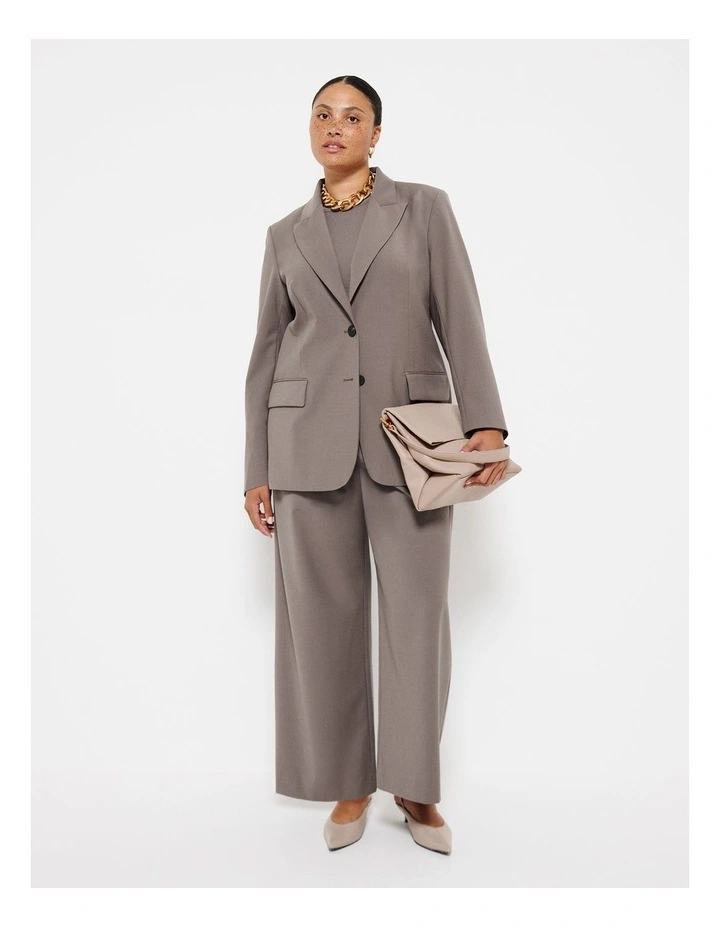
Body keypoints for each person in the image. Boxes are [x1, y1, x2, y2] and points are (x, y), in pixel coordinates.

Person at [243, 75, 509, 854]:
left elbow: (460, 312)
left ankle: (416, 786)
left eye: (352, 116)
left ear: (376, 133)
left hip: (412, 444)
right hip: (305, 450)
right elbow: (265, 355)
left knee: (417, 618)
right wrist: (257, 466)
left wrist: (487, 422)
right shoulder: (284, 234)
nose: (335, 126)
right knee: (320, 624)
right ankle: (348, 782)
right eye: (322, 115)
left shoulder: (424, 209)